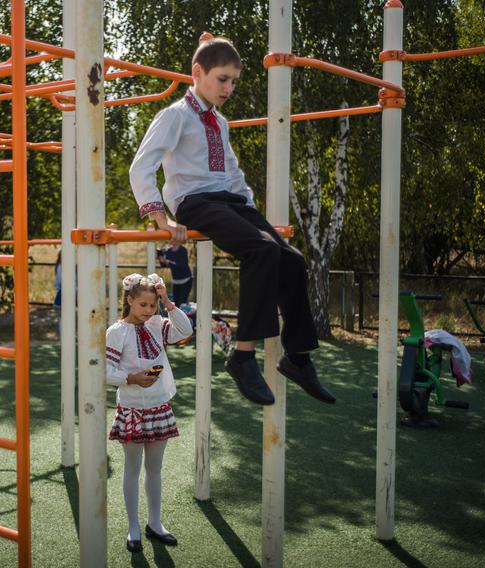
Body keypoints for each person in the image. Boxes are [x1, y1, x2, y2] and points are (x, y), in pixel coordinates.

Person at [128, 36, 334, 406]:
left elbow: (234, 174)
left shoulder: (220, 122)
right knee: (261, 251)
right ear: (198, 73)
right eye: (223, 79)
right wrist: (159, 216)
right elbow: (142, 166)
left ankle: (298, 358)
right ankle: (242, 356)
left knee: (292, 259)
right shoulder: (176, 115)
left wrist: (253, 212)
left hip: (231, 202)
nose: (229, 88)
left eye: (234, 81)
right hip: (195, 202)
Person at [106, 273, 193, 553]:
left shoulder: (157, 323)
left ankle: (155, 523)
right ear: (129, 300)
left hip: (160, 406)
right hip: (132, 409)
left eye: (152, 305)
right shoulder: (116, 331)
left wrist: (167, 300)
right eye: (143, 305)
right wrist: (132, 378)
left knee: (154, 469)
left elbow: (186, 330)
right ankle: (133, 527)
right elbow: (106, 372)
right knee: (132, 469)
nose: (148, 311)